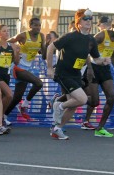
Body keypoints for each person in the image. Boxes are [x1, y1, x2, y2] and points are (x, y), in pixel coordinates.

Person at [46, 9, 109, 140]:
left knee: (74, 104)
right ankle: (59, 105)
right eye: (85, 19)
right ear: (78, 22)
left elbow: (95, 59)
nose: (88, 21)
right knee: (82, 99)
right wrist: (50, 68)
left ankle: (57, 129)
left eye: (90, 19)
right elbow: (51, 47)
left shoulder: (91, 40)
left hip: (76, 74)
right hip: (63, 73)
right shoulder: (70, 36)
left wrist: (103, 61)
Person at [82, 17, 114, 138]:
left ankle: (100, 128)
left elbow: (112, 57)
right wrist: (89, 69)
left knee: (111, 98)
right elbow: (86, 51)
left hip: (105, 70)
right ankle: (75, 98)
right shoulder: (101, 35)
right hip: (94, 69)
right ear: (112, 26)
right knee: (95, 102)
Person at [5, 17, 46, 121]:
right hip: (17, 67)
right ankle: (24, 105)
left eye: (39, 25)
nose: (38, 27)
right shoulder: (23, 35)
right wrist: (15, 50)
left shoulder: (41, 36)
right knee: (39, 83)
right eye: (35, 25)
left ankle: (3, 116)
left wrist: (44, 46)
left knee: (17, 97)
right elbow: (8, 42)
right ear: (30, 26)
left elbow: (44, 56)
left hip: (27, 68)